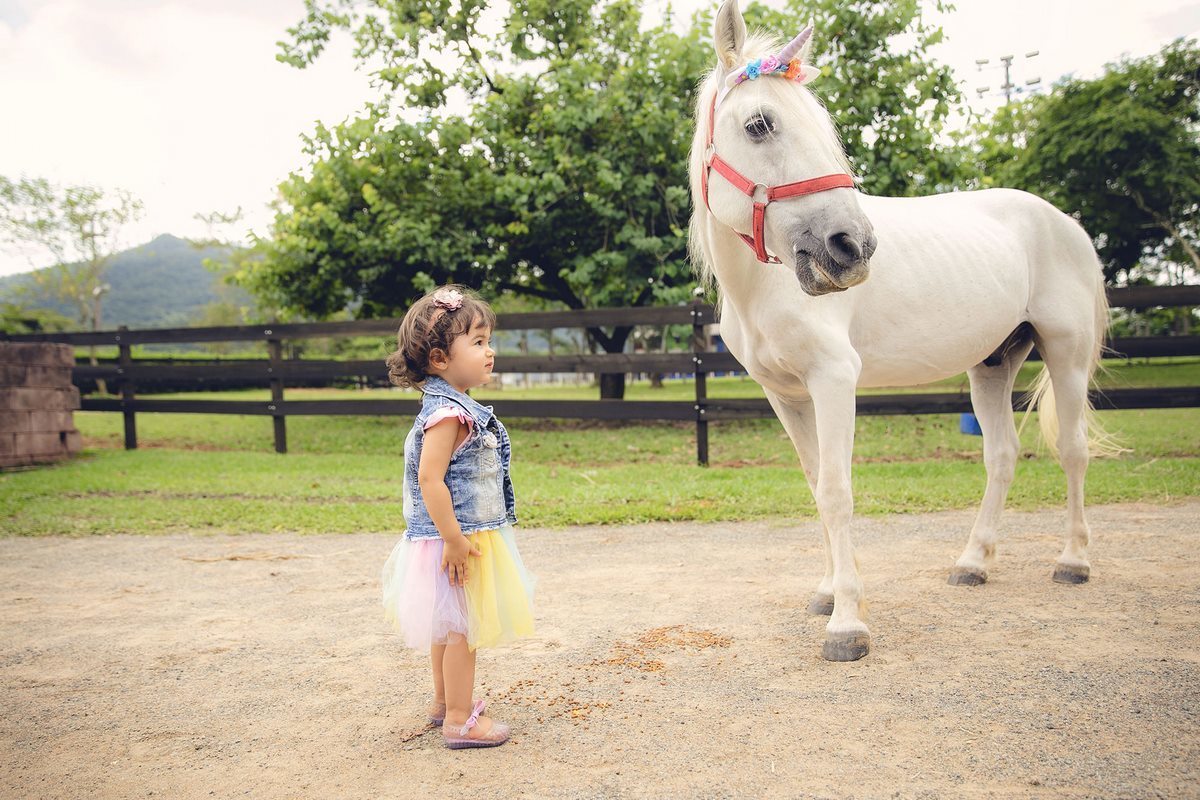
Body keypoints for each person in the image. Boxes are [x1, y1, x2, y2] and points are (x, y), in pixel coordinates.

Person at [381, 285, 535, 749]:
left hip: (454, 535)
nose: (490, 352)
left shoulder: (449, 406)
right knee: (463, 631)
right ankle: (460, 720)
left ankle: (444, 703)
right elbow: (432, 480)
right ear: (439, 359)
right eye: (478, 342)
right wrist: (453, 540)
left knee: (447, 627)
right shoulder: (448, 414)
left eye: (489, 341)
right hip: (458, 537)